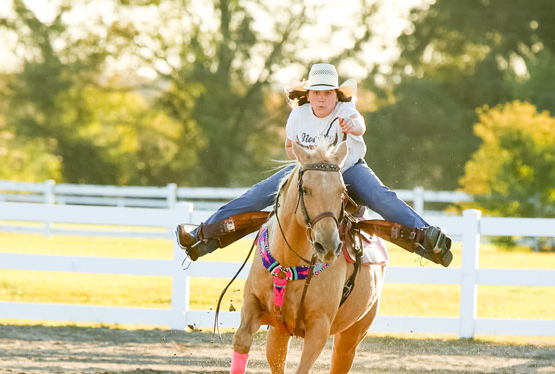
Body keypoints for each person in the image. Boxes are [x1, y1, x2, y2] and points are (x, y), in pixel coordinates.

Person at [176, 63, 453, 266]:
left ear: (337, 96)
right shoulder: (298, 115)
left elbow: (360, 124)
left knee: (382, 197)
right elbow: (290, 147)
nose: (322, 99)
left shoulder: (346, 110)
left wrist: (351, 126)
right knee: (257, 194)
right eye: (317, 94)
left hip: (347, 169)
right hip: (307, 170)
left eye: (328, 94)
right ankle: (203, 233)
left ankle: (427, 236)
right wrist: (299, 155)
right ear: (308, 95)